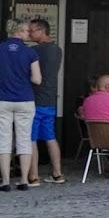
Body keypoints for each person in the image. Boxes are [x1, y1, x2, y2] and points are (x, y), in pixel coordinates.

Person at [0, 19, 41, 192]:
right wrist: (24, 76)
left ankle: (5, 181)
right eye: (26, 31)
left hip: (1, 100)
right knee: (24, 139)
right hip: (25, 100)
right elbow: (37, 79)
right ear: (19, 31)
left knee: (3, 140)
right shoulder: (30, 52)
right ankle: (23, 180)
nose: (28, 34)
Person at [27, 18, 64, 186]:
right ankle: (57, 173)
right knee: (50, 137)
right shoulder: (57, 50)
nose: (29, 34)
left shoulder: (34, 51)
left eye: (32, 30)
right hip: (50, 98)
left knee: (31, 139)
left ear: (42, 31)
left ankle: (33, 175)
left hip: (35, 99)